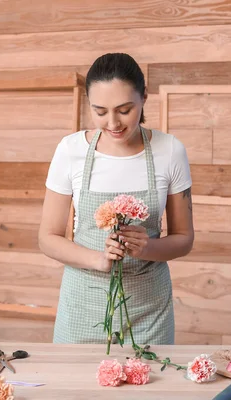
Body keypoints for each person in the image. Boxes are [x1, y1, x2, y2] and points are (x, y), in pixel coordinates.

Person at [38, 53, 194, 346]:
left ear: (144, 97)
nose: (113, 123)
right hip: (82, 305)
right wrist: (99, 259)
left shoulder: (170, 151)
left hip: (149, 311)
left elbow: (184, 238)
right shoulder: (70, 151)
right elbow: (48, 237)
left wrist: (147, 247)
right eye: (100, 111)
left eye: (124, 110)